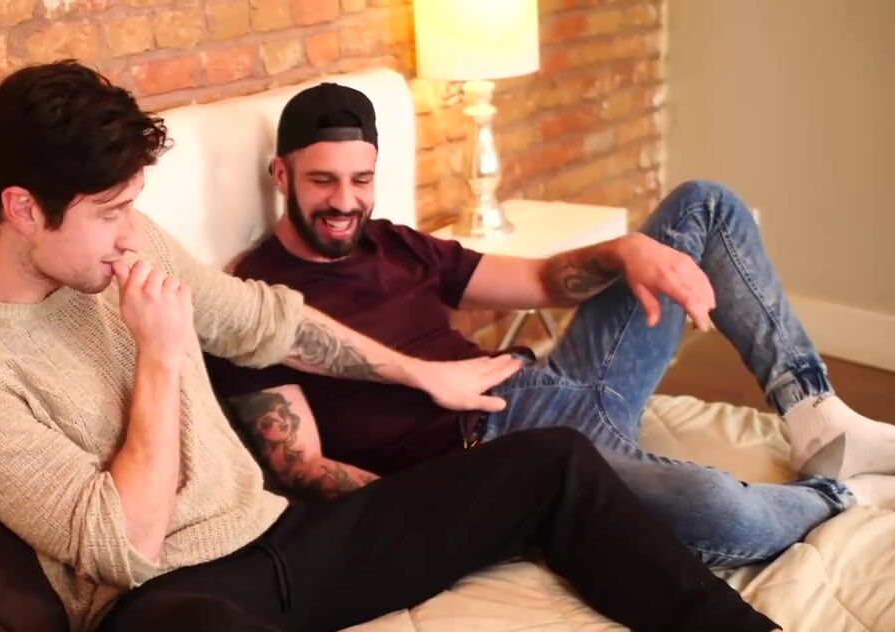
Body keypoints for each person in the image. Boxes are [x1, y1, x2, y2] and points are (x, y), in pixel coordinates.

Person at [0, 62, 778, 632]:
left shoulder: (122, 247)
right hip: (158, 601)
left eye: (132, 206)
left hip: (283, 536)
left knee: (551, 460)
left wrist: (419, 372)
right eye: (109, 212)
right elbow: (126, 546)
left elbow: (264, 322)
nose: (130, 234)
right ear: (24, 209)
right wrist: (162, 359)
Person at [208, 82, 895, 570]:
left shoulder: (396, 243)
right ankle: (841, 493)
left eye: (361, 180)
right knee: (724, 512)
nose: (345, 202)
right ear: (281, 175)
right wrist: (462, 508)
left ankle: (814, 415)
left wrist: (625, 251)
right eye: (323, 181)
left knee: (704, 205)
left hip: (556, 383)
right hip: (506, 454)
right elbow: (302, 467)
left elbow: (541, 281)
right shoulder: (251, 302)